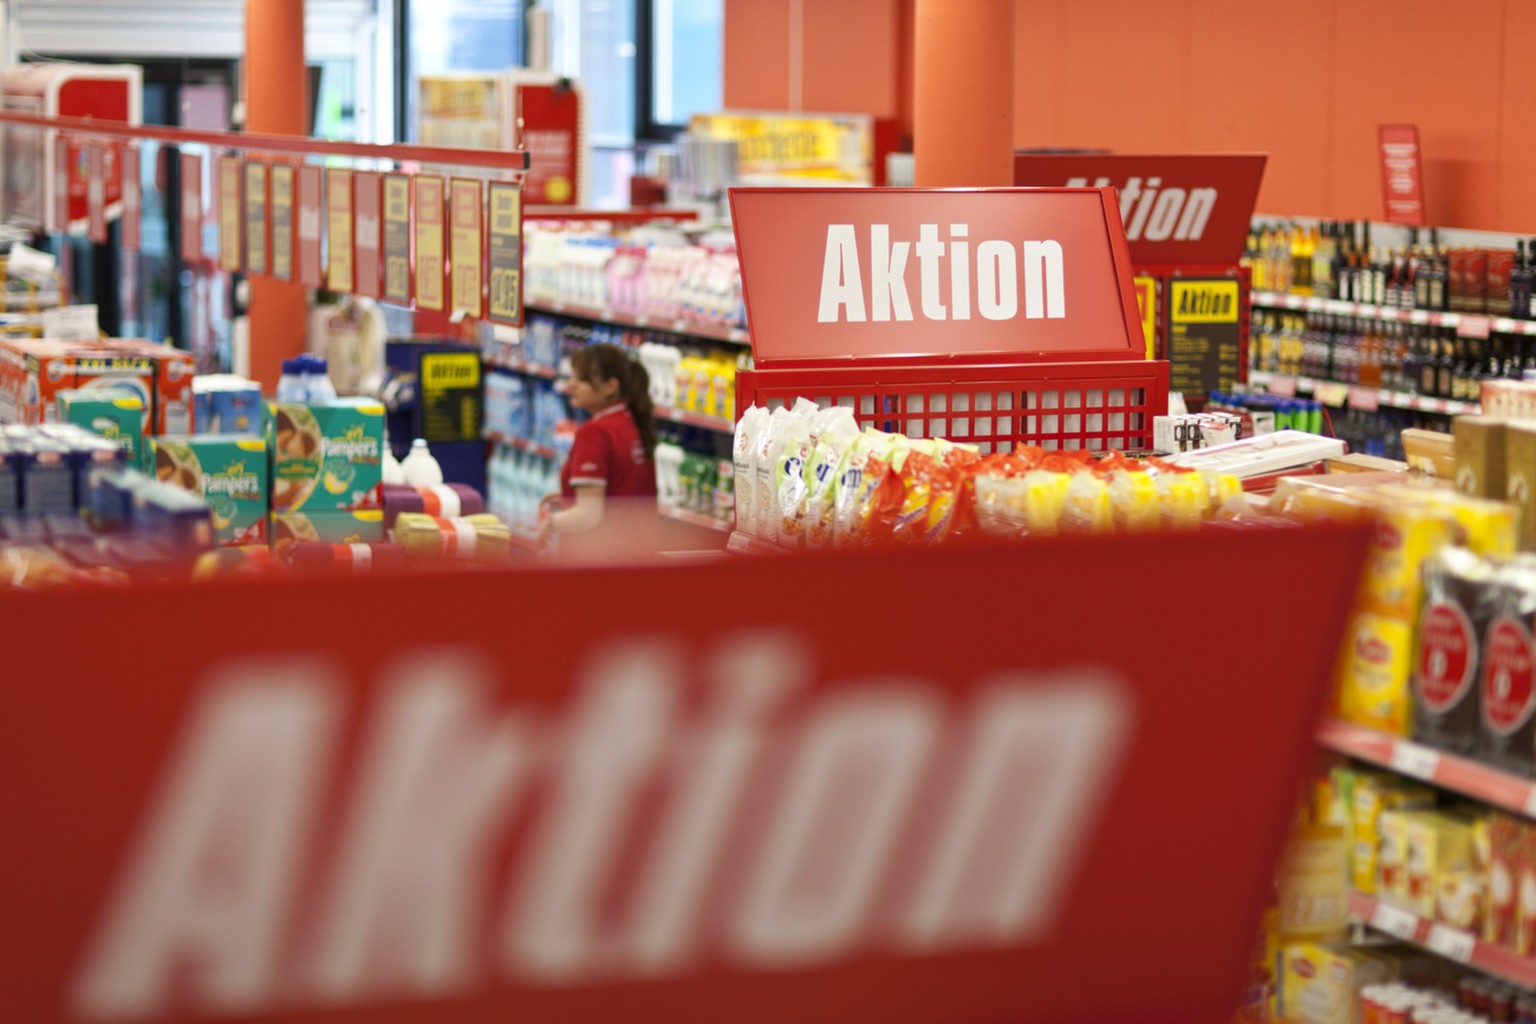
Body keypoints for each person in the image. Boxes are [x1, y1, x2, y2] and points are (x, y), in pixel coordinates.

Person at [537, 343, 658, 550]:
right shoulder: (630, 421)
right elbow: (622, 488)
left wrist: (550, 523)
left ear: (610, 386)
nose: (570, 385)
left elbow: (588, 516)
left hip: (600, 557)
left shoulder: (595, 432)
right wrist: (569, 496)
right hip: (635, 552)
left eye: (581, 379)